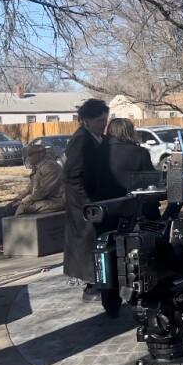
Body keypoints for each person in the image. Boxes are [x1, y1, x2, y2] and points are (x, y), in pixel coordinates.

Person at [89, 118, 159, 317]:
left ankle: (110, 303)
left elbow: (87, 181)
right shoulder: (139, 153)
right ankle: (138, 295)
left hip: (103, 211)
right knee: (135, 253)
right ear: (129, 131)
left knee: (105, 255)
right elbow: (150, 184)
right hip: (133, 212)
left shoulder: (95, 154)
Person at [63, 98, 109, 302]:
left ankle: (98, 282)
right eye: (100, 120)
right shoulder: (81, 140)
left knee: (97, 242)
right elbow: (72, 174)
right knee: (88, 244)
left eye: (105, 120)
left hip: (94, 201)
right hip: (84, 204)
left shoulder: (97, 138)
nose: (103, 124)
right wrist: (88, 200)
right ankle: (91, 287)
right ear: (86, 121)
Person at [4, 145, 64, 216]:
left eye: (30, 155)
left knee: (22, 208)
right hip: (42, 199)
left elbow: (42, 191)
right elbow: (30, 188)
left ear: (40, 154)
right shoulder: (37, 166)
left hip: (56, 200)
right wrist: (18, 199)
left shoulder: (50, 167)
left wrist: (22, 201)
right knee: (10, 207)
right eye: (27, 155)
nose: (28, 158)